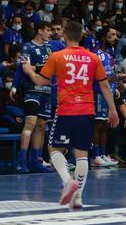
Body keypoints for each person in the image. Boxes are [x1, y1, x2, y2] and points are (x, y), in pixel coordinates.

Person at [21, 20, 118, 209]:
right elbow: (105, 85)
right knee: (82, 154)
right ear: (81, 36)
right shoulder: (93, 58)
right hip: (87, 110)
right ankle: (78, 198)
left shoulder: (57, 56)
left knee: (54, 149)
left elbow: (43, 80)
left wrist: (29, 72)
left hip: (66, 108)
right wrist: (113, 110)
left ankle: (67, 181)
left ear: (64, 35)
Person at [16, 22, 55, 174]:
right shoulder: (28, 47)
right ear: (39, 31)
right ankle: (22, 161)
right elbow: (26, 68)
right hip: (32, 89)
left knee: (41, 126)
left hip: (47, 90)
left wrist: (38, 67)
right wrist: (42, 68)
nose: (50, 33)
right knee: (30, 123)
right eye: (48, 30)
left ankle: (36, 160)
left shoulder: (50, 48)